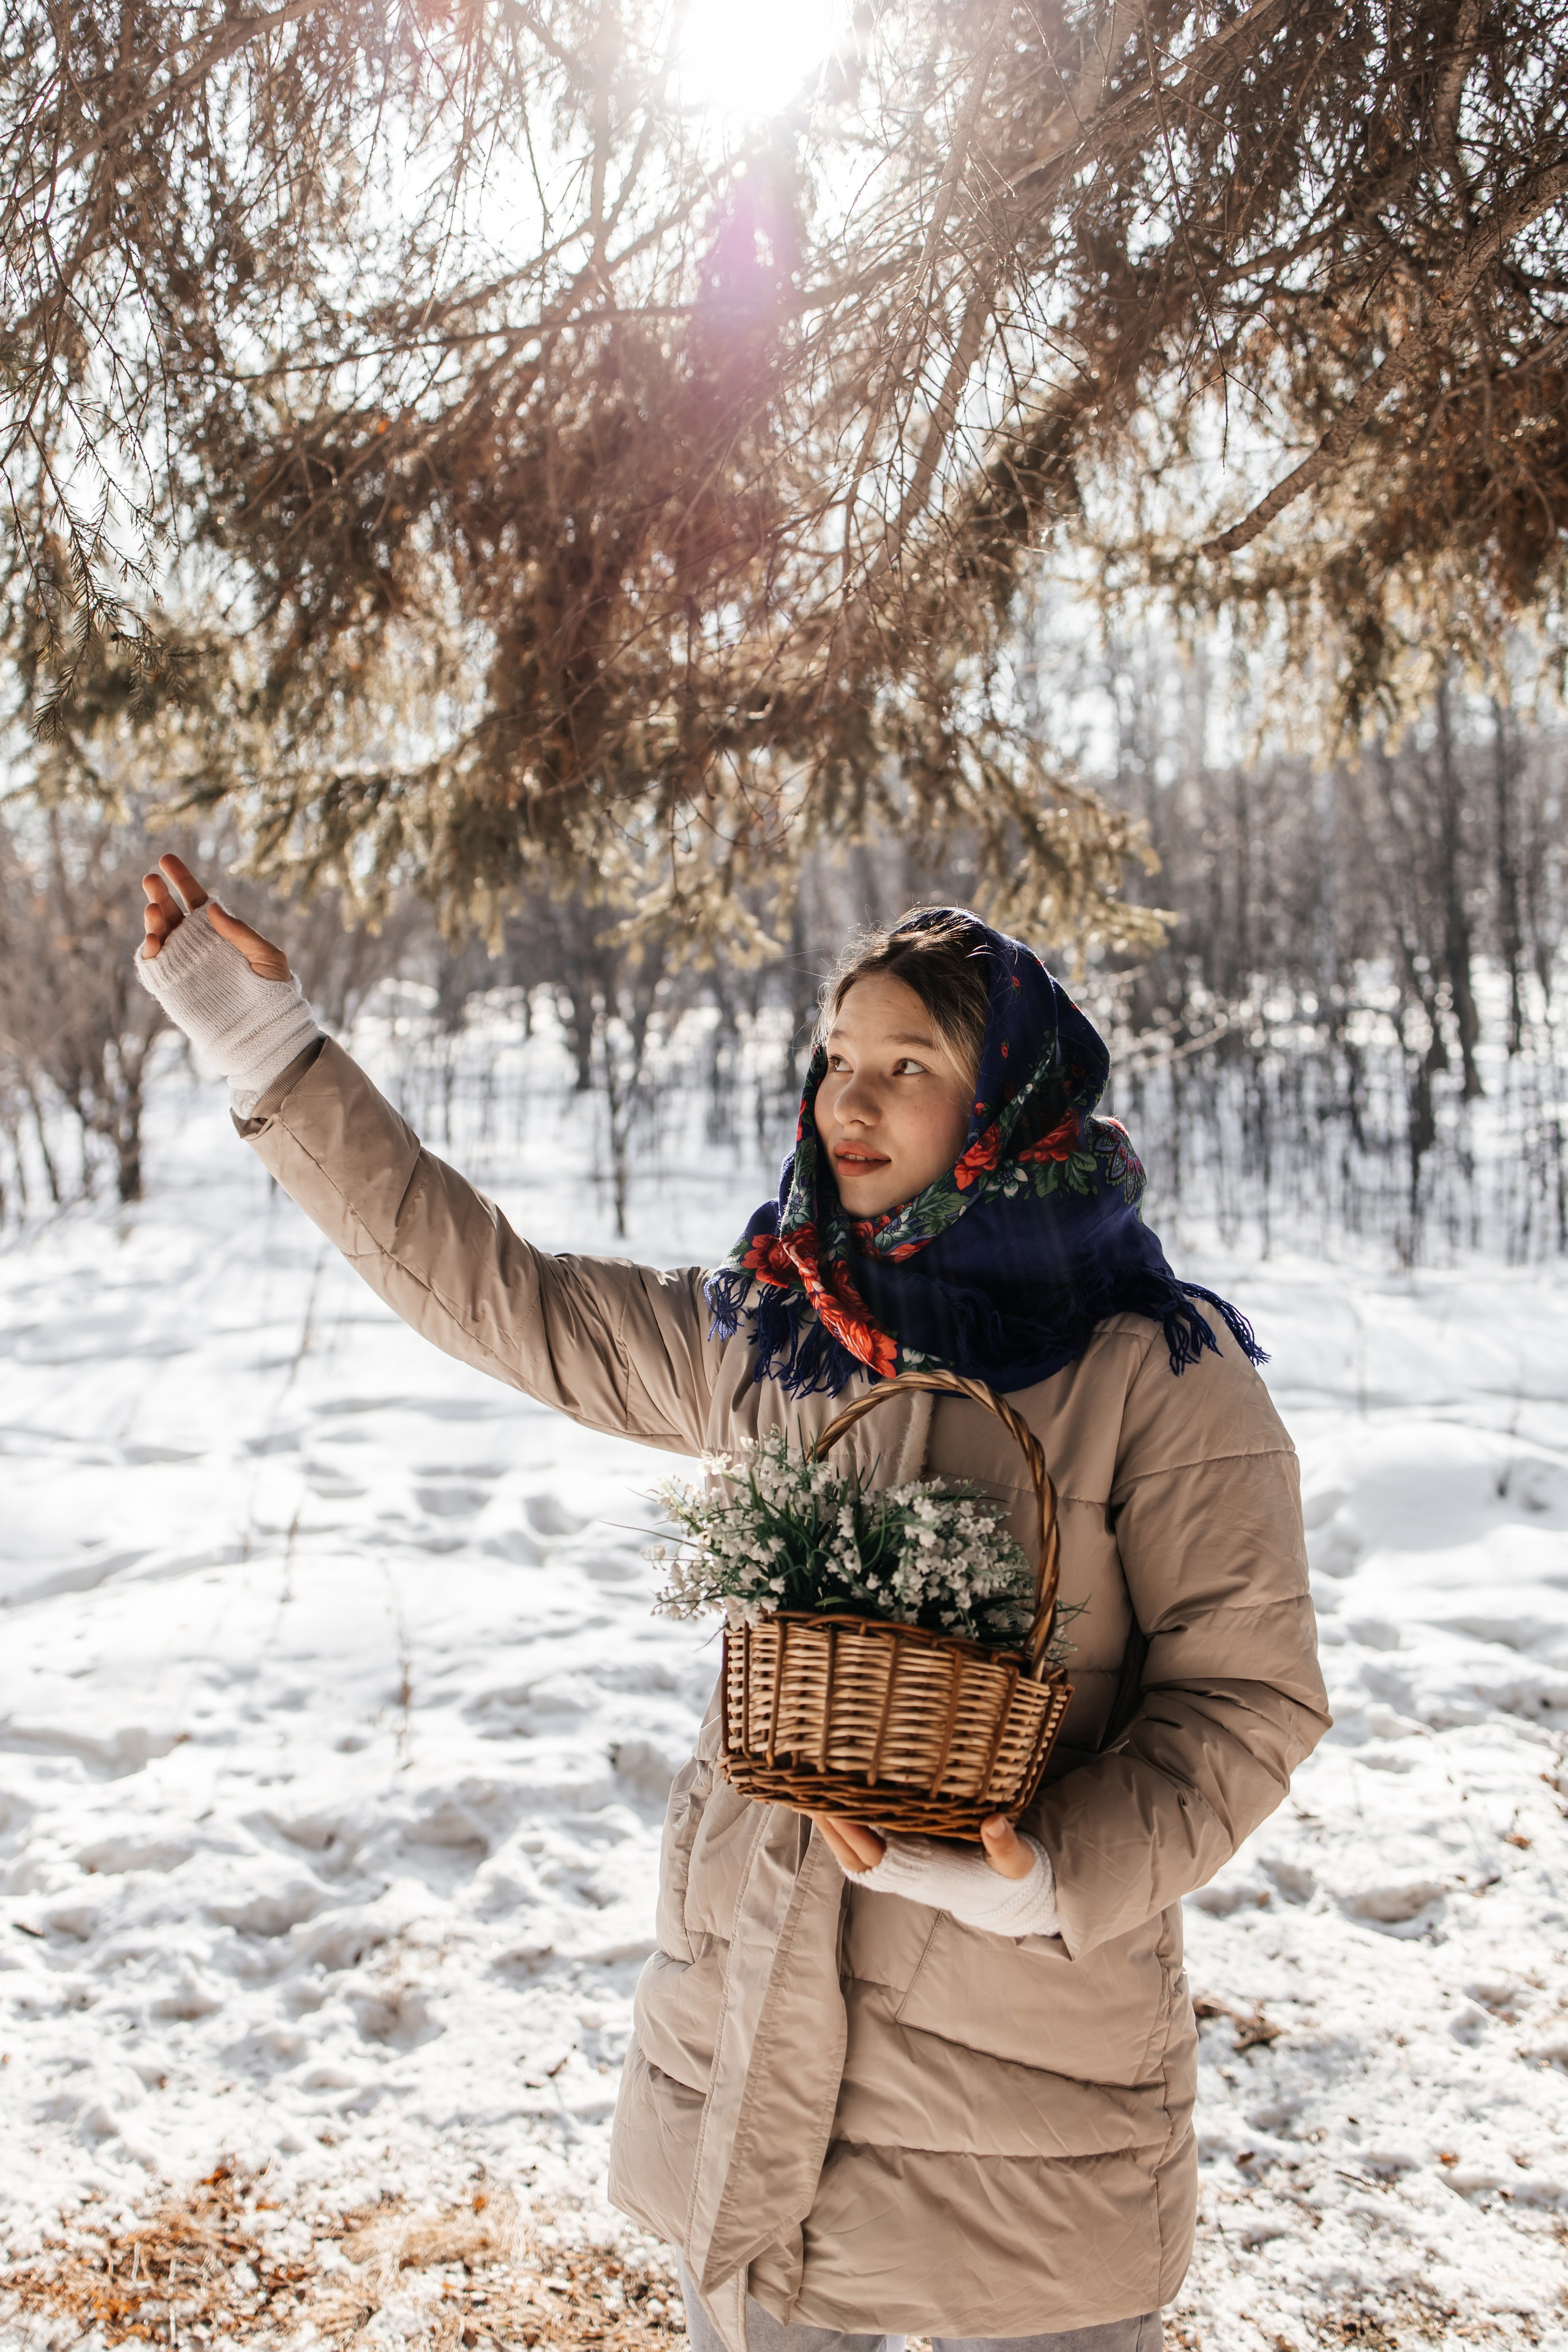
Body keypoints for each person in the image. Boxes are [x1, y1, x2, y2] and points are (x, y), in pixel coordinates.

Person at [135, 855, 1329, 2352]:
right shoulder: (787, 1332)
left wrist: (1046, 1881)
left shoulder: (1159, 1372)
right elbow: (506, 1296)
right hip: (763, 2066)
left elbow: (1246, 1704)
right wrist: (268, 1047)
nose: (853, 1100)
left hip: (1029, 2108)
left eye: (909, 1065)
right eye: (840, 1058)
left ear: (1012, 1106)